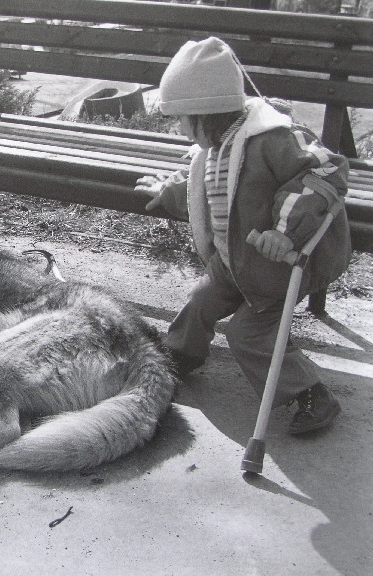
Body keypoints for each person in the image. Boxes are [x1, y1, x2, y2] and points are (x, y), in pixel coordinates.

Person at [135, 37, 351, 435]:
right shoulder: (218, 147)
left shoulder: (274, 138)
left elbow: (326, 172)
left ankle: (311, 394)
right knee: (201, 301)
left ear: (206, 112)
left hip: (276, 268)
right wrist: (168, 193)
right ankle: (179, 356)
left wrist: (284, 232)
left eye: (182, 118)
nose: (180, 129)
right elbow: (214, 196)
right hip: (235, 261)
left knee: (248, 334)